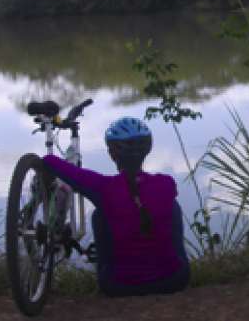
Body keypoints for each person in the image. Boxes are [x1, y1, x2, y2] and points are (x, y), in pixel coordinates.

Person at [41, 116, 190, 297]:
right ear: (148, 150)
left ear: (112, 154)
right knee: (170, 206)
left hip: (118, 286)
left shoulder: (104, 188)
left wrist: (47, 157)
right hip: (174, 280)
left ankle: (113, 265)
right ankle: (166, 264)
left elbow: (56, 165)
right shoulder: (166, 183)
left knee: (101, 214)